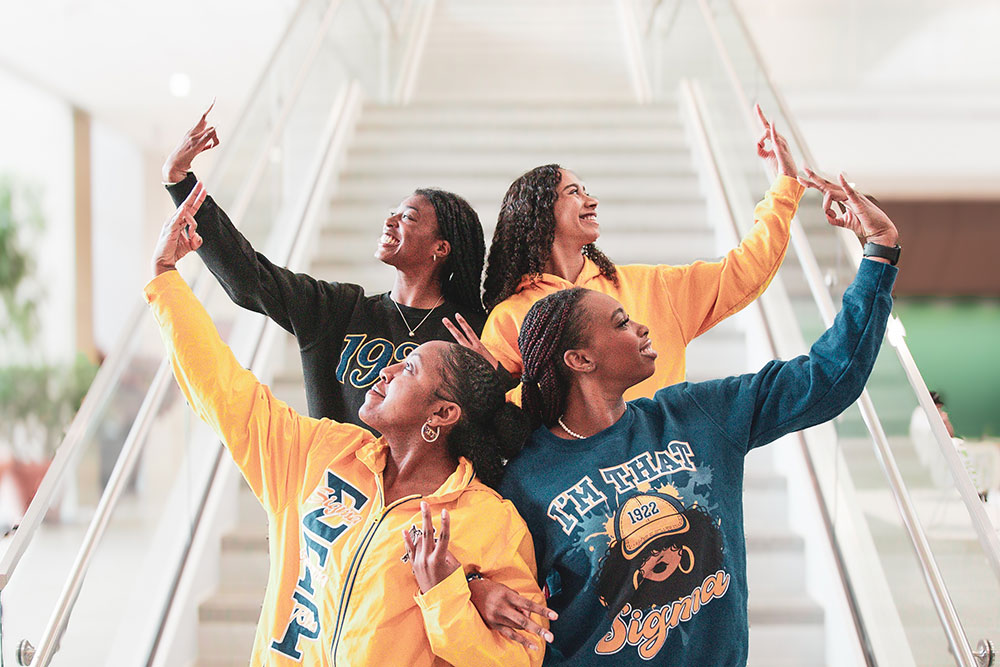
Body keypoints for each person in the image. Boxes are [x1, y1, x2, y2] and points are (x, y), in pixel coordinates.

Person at [477, 172, 899, 664]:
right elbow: (477, 561)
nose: (640, 324)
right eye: (619, 322)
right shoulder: (526, 480)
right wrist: (474, 585)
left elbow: (828, 377)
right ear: (579, 360)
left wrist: (880, 254)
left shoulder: (696, 415)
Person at [145, 184, 546, 666]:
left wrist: (448, 595)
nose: (387, 369)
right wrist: (165, 280)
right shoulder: (321, 454)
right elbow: (223, 390)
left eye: (410, 368)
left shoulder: (489, 521)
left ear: (443, 414)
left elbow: (518, 658)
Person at [161, 104, 488, 432]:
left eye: (407, 217)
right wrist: (180, 183)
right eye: (393, 212)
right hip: (336, 480)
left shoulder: (470, 332)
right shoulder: (339, 310)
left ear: (440, 248)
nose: (389, 221)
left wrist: (495, 378)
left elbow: (495, 436)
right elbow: (250, 278)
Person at [473, 106, 805, 401]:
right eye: (574, 192)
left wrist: (785, 186)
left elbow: (745, 270)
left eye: (586, 191)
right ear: (540, 214)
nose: (592, 201)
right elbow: (501, 424)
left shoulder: (653, 286)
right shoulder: (510, 318)